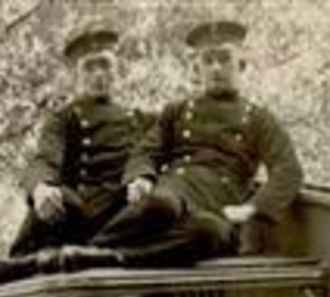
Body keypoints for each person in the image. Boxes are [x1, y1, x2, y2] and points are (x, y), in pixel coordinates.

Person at [65, 18, 304, 271]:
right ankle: (91, 250)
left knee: (209, 232)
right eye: (208, 60)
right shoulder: (177, 111)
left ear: (241, 64)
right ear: (196, 68)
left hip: (217, 208)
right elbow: (146, 151)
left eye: (224, 59)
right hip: (173, 196)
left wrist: (251, 209)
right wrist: (140, 178)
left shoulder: (259, 119)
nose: (215, 68)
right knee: (158, 205)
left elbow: (289, 170)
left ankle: (106, 258)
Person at [0, 27, 143, 287]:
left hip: (120, 218)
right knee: (55, 195)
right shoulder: (63, 118)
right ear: (76, 74)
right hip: (78, 217)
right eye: (89, 68)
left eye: (105, 65)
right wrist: (41, 188)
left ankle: (28, 265)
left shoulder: (138, 119)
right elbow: (44, 159)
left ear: (118, 70)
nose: (98, 75)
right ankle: (23, 263)